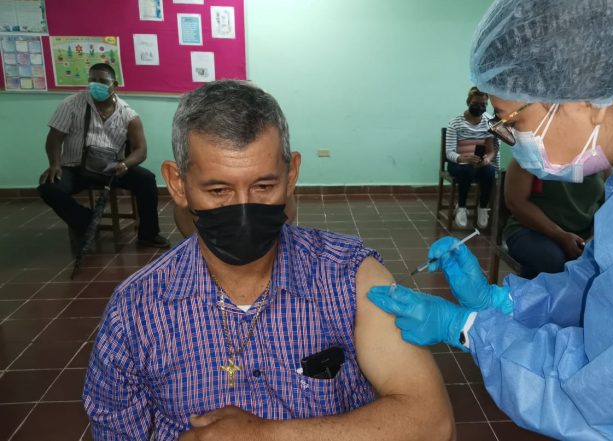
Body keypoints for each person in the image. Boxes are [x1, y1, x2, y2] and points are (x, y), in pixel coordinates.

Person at [368, 0, 613, 439]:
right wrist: (502, 302)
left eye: (512, 119)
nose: (509, 138)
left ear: (587, 98)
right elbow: (598, 284)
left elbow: (603, 399)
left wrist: (466, 328)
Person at [83, 80, 454, 441]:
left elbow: (432, 424)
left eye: (263, 186)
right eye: (219, 190)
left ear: (291, 175)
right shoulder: (136, 310)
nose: (244, 209)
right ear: (178, 184)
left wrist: (265, 435)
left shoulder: (350, 276)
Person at [38, 63, 169, 249]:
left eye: (102, 81)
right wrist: (55, 164)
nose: (96, 85)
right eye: (92, 80)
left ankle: (149, 234)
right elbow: (54, 138)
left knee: (146, 180)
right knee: (48, 187)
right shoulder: (71, 104)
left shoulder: (128, 114)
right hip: (76, 168)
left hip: (112, 169)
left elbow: (141, 150)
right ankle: (85, 220)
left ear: (114, 85)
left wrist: (125, 164)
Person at [503, 160, 605, 279]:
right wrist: (561, 236)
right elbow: (517, 203)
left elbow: (609, 204)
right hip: (533, 230)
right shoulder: (530, 155)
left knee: (606, 262)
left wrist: (594, 238)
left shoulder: (602, 157)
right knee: (551, 261)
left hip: (585, 235)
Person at [444, 86, 497, 229]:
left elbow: (491, 150)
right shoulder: (455, 123)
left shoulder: (489, 122)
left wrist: (487, 159)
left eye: (483, 104)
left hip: (479, 163)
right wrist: (463, 158)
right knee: (466, 170)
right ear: (468, 102)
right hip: (458, 163)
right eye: (475, 103)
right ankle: (461, 207)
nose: (479, 107)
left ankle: (482, 207)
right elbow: (449, 153)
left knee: (490, 171)